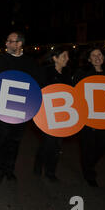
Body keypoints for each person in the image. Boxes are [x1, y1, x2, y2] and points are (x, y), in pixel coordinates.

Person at [0, 32, 41, 183]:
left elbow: (37, 85)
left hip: (21, 110)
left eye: (10, 41)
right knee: (1, 141)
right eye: (7, 41)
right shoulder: (1, 60)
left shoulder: (29, 62)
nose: (6, 44)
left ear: (19, 44)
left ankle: (10, 170)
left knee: (15, 142)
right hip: (2, 109)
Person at [73, 46, 105, 187]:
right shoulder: (82, 73)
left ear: (103, 57)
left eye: (100, 54)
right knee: (88, 146)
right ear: (89, 59)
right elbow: (76, 94)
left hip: (104, 117)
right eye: (93, 55)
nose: (97, 57)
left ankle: (89, 164)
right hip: (87, 116)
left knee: (103, 146)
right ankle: (89, 173)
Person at [33, 47, 72, 182]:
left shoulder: (67, 73)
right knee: (48, 142)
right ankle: (39, 163)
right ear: (55, 58)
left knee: (57, 144)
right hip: (46, 113)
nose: (67, 59)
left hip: (62, 114)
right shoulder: (45, 72)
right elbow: (39, 91)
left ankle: (51, 171)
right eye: (64, 56)